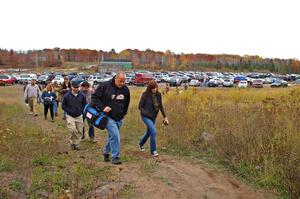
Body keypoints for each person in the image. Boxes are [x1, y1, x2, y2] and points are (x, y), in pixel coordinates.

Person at [91, 71, 130, 165]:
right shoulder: (105, 86)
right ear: (115, 78)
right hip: (107, 116)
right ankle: (115, 157)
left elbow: (127, 102)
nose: (122, 84)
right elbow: (94, 97)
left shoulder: (125, 89)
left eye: (124, 81)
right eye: (120, 81)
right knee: (116, 135)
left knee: (112, 136)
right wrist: (103, 107)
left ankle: (105, 151)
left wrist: (124, 113)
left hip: (119, 117)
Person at [138, 80, 169, 157]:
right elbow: (140, 107)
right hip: (145, 116)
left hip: (153, 117)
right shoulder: (145, 95)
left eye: (155, 88)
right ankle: (153, 151)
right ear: (149, 88)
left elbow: (160, 106)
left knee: (149, 132)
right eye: (152, 88)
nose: (154, 90)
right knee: (154, 131)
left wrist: (165, 117)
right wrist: (145, 113)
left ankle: (141, 143)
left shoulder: (158, 95)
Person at [62, 81, 86, 150]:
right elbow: (63, 106)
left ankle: (76, 144)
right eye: (74, 87)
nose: (76, 89)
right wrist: (69, 111)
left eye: (77, 87)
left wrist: (81, 111)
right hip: (70, 116)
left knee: (80, 131)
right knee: (72, 130)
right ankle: (72, 142)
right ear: (71, 87)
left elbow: (84, 104)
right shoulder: (67, 95)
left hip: (79, 115)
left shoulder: (82, 95)